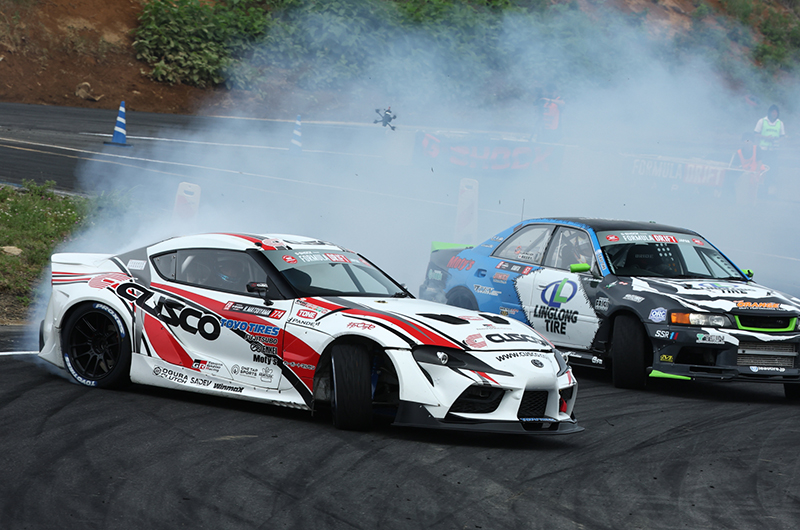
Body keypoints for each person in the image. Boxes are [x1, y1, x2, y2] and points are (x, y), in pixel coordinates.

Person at [754, 104, 785, 198]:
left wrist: (776, 141)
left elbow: (782, 137)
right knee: (762, 170)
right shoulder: (762, 121)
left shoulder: (780, 123)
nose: (774, 114)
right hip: (763, 150)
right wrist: (766, 138)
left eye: (776, 112)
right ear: (769, 112)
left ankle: (767, 190)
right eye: (773, 112)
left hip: (774, 151)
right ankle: (758, 189)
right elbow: (755, 134)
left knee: (772, 170)